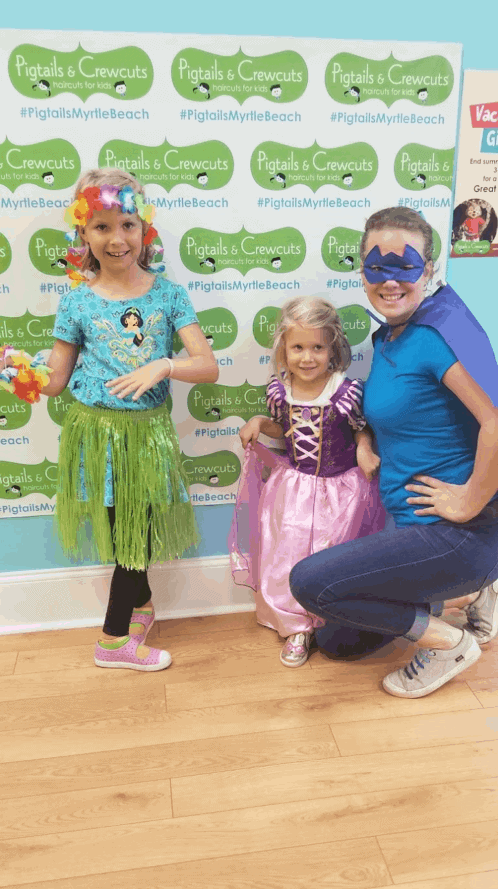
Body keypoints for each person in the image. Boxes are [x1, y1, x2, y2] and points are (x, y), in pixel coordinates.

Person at [1, 168, 217, 671]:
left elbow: (205, 367)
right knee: (126, 534)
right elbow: (55, 381)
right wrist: (18, 372)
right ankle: (114, 640)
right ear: (84, 234)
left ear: (145, 230)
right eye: (101, 227)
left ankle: (132, 613)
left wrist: (163, 364)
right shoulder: (76, 300)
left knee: (135, 535)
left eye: (127, 225)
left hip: (148, 438)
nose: (117, 239)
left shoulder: (168, 295)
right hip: (94, 434)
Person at [289, 207, 498, 697]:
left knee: (310, 584)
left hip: (457, 533)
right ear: (362, 270)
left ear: (428, 270)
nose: (389, 281)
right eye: (376, 267)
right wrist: (364, 440)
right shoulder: (392, 333)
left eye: (405, 266)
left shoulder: (439, 333)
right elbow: (391, 412)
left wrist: (469, 502)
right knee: (340, 641)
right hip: (413, 525)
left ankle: (451, 643)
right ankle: (473, 595)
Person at [229, 296, 385, 666]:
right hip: (295, 488)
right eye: (298, 347)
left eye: (318, 347)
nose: (307, 357)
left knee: (333, 553)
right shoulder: (280, 391)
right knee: (290, 553)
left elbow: (361, 428)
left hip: (341, 491)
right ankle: (297, 623)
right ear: (284, 348)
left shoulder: (345, 392)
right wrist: (258, 423)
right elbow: (282, 429)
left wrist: (365, 448)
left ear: (333, 348)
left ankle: (331, 617)